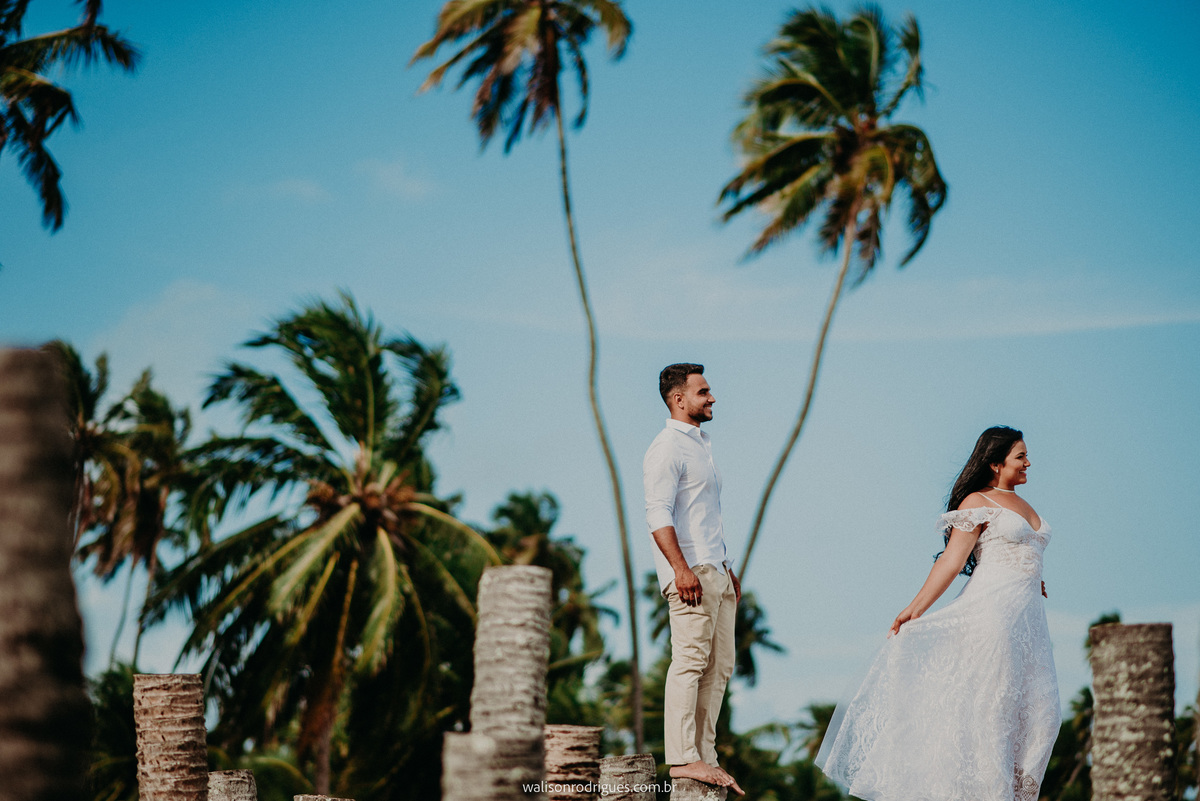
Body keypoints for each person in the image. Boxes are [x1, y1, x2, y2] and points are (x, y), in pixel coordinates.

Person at [816, 426, 1060, 801]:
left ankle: (1016, 794)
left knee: (1042, 715)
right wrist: (914, 609)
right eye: (1020, 456)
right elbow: (951, 561)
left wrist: (1033, 578)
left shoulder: (1026, 505)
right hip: (991, 616)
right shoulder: (978, 502)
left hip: (1029, 622)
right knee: (993, 709)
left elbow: (1025, 554)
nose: (1028, 462)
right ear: (995, 464)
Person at [643, 363, 744, 795]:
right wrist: (681, 570)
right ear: (678, 399)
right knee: (689, 662)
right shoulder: (666, 448)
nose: (712, 398)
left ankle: (705, 753)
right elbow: (658, 515)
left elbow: (704, 516)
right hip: (691, 574)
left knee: (719, 666)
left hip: (716, 570)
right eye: (703, 392)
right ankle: (684, 758)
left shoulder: (701, 445)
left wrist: (728, 567)